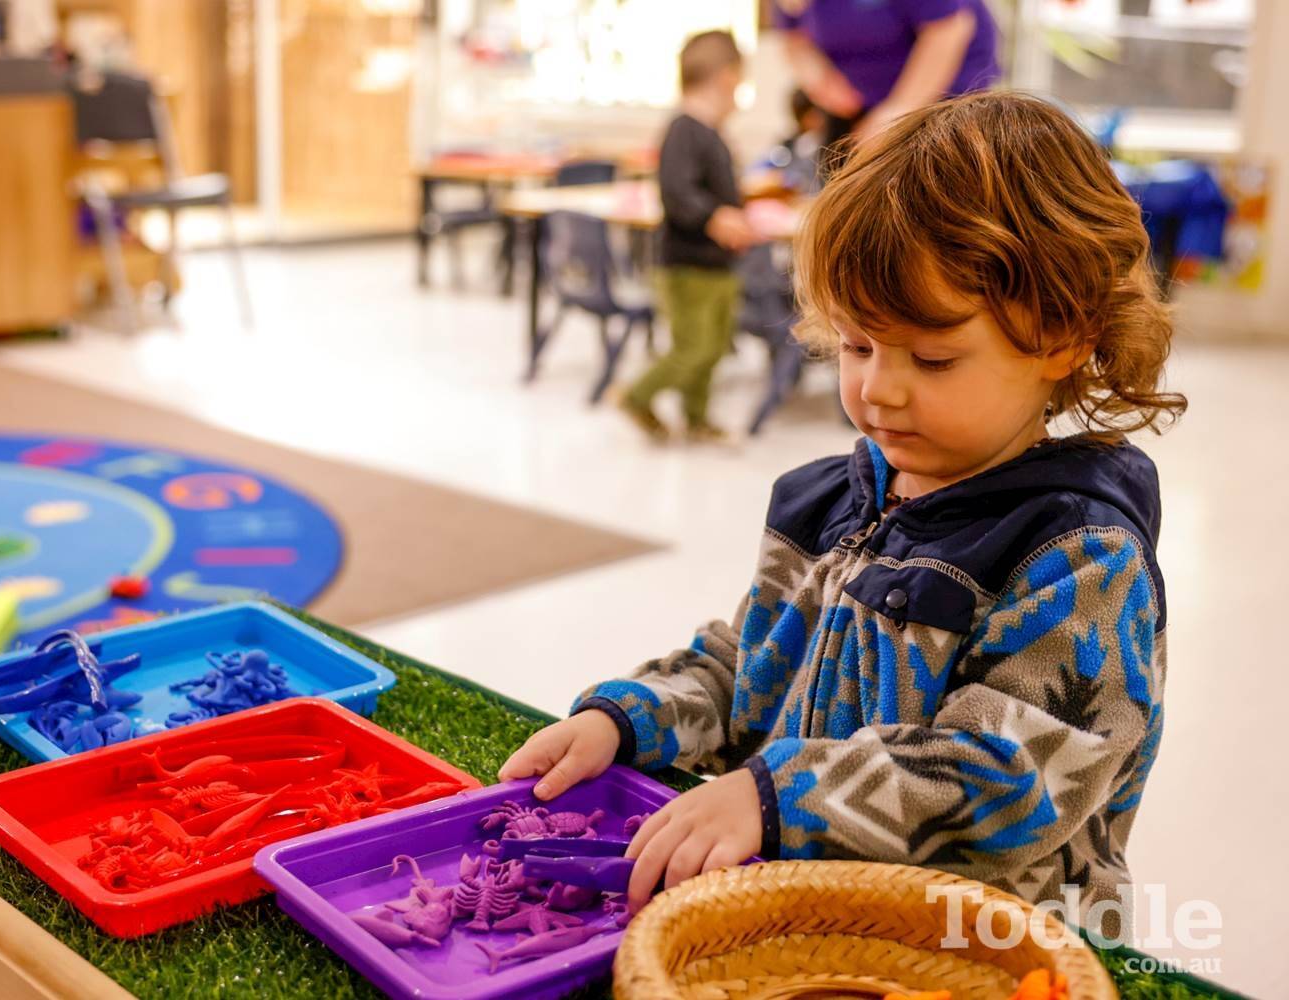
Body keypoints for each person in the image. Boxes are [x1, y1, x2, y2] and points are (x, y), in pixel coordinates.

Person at [500, 93, 1184, 933]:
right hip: (807, 921)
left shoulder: (1080, 560)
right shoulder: (830, 500)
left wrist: (776, 796)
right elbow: (748, 666)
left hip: (977, 950)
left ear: (1064, 337)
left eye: (932, 358)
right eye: (857, 345)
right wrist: (627, 718)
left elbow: (1006, 782)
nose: (876, 388)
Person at [619, 30, 757, 444]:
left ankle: (697, 419)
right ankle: (635, 395)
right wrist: (715, 217)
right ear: (727, 78)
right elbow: (676, 192)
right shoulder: (684, 128)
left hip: (717, 264)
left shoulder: (712, 132)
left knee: (714, 347)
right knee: (692, 347)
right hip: (687, 264)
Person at [774, 0, 1000, 143]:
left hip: (945, 101)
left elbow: (947, 29)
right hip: (859, 105)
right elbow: (793, 38)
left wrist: (897, 112)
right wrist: (820, 80)